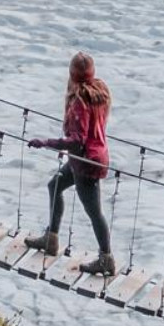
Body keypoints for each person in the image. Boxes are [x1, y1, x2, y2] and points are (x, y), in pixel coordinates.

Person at [25, 51, 116, 276]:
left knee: (94, 212)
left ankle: (106, 258)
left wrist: (45, 142)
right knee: (55, 185)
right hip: (89, 158)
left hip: (86, 162)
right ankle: (51, 238)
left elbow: (77, 141)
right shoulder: (101, 90)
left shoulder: (79, 101)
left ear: (72, 75)